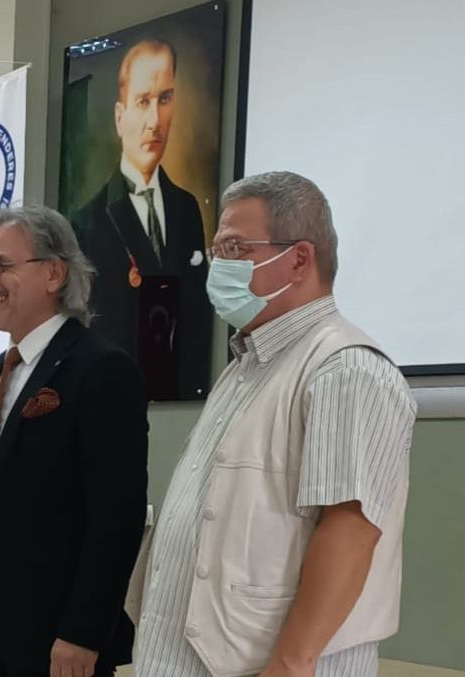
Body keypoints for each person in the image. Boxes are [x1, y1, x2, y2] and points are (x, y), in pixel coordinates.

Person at [133, 172, 416, 677]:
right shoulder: (246, 366)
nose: (219, 265)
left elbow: (351, 528)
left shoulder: (344, 369)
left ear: (300, 259)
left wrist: (289, 663)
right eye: (217, 250)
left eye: (235, 248)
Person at [0, 205, 149, 677]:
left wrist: (84, 632)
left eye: (0, 266)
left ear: (54, 273)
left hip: (54, 635)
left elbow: (116, 516)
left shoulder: (101, 369)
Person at [71, 38, 213, 401]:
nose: (155, 121)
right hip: (114, 396)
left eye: (165, 99)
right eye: (143, 101)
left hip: (182, 394)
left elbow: (197, 316)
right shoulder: (86, 223)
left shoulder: (186, 208)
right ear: (120, 117)